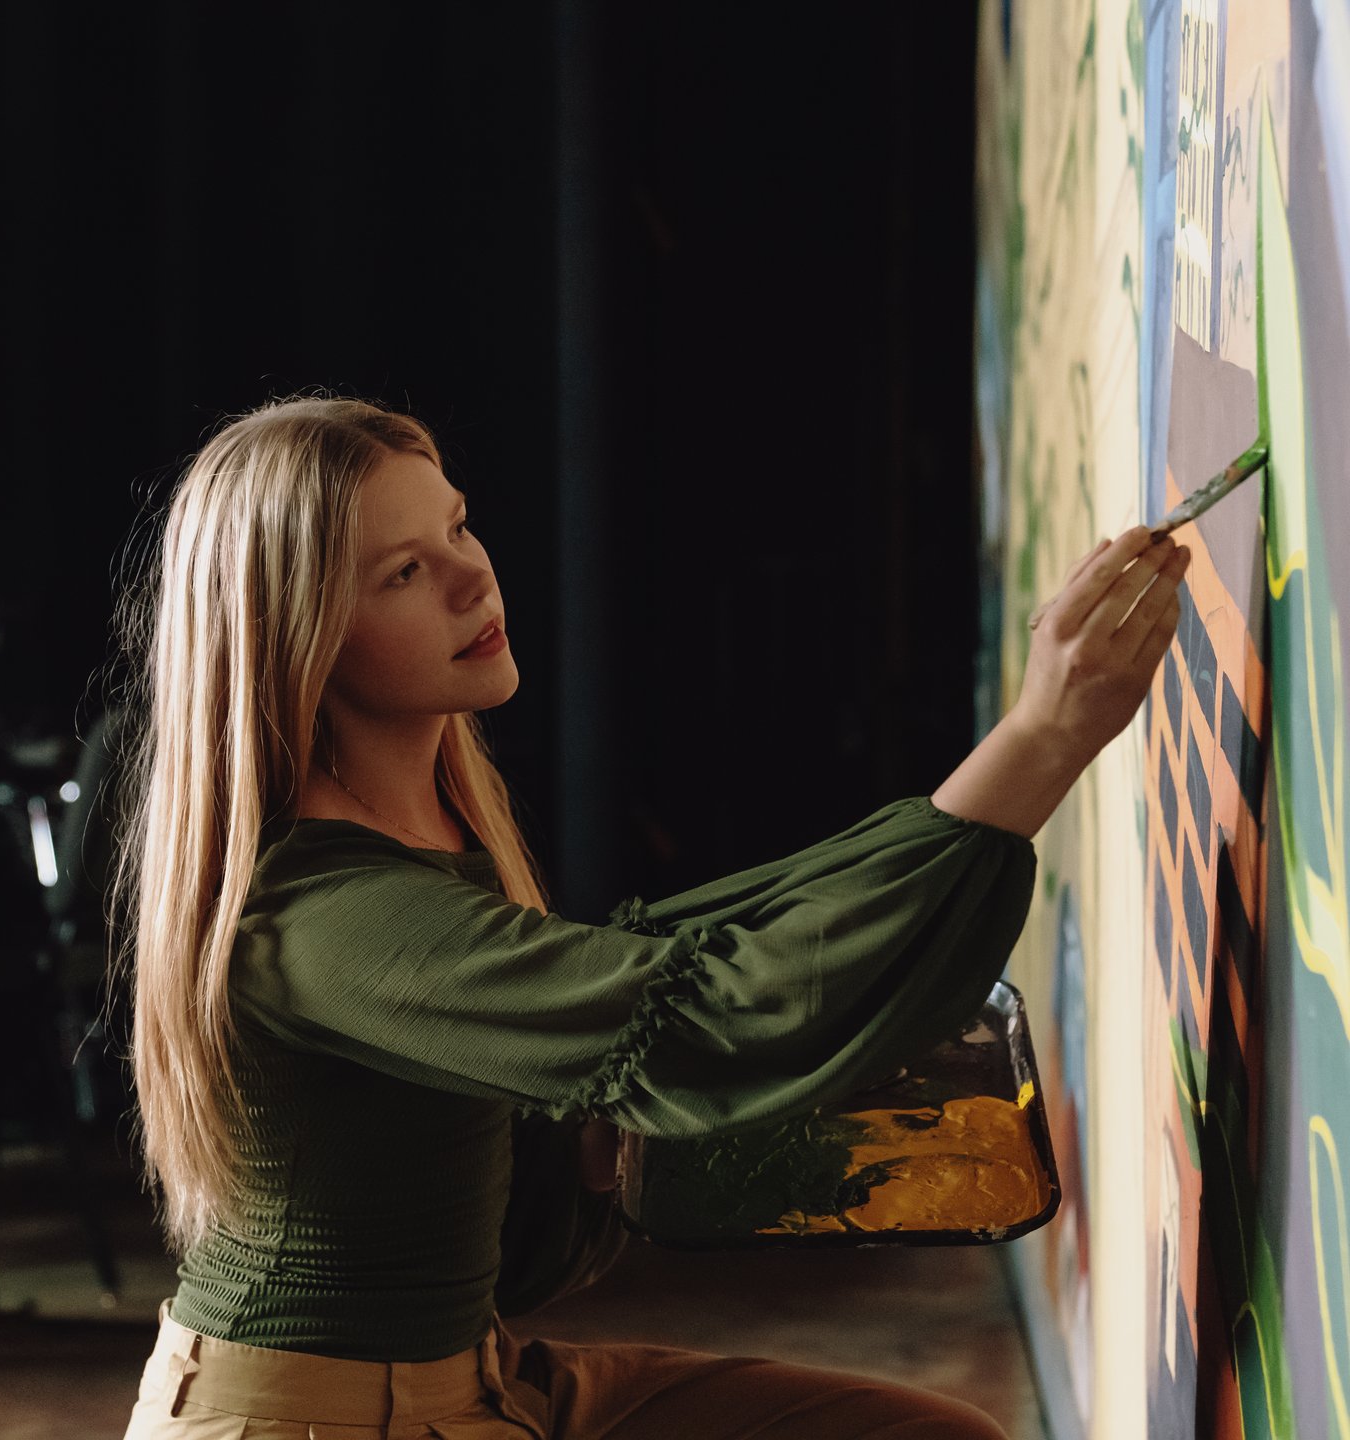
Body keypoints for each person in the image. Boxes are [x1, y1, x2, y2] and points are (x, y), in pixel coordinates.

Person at [116, 396, 1188, 1439]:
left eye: (455, 526)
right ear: (299, 640)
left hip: (471, 1378)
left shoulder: (435, 835)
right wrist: (1045, 737)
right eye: (404, 572)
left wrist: (588, 1136)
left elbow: (660, 995)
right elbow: (705, 1015)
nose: (471, 574)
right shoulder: (321, 911)